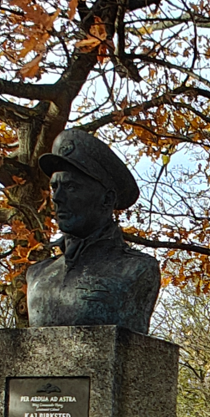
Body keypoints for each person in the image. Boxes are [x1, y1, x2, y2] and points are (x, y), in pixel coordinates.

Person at [27, 129, 161, 334]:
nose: (57, 198)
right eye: (55, 187)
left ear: (107, 199)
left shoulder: (136, 270)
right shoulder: (37, 274)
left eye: (71, 187)